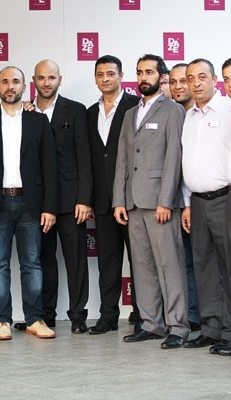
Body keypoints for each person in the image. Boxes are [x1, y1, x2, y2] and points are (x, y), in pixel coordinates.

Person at [0, 66, 58, 341]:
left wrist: (49, 207)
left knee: (32, 264)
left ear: (24, 86)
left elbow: (49, 167)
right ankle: (2, 321)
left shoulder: (38, 120)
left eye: (15, 81)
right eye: (5, 81)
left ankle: (35, 319)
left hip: (31, 203)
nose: (10, 86)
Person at [113, 54, 189, 349]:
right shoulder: (130, 113)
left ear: (162, 76)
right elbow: (122, 159)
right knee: (142, 267)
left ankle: (178, 326)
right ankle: (151, 323)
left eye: (149, 72)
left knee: (170, 266)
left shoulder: (172, 110)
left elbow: (174, 158)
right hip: (133, 203)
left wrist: (166, 201)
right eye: (139, 72)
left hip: (160, 203)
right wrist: (119, 200)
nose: (143, 77)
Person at [180, 58, 231, 350]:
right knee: (204, 268)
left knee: (230, 267)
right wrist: (187, 203)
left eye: (202, 77)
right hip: (197, 203)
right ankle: (210, 328)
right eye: (191, 78)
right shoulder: (189, 117)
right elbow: (187, 162)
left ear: (215, 80)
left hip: (225, 199)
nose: (196, 83)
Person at [30, 59, 92, 333]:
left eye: (51, 77)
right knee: (43, 260)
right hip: (38, 200)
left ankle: (78, 315)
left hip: (70, 200)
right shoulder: (24, 112)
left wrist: (84, 199)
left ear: (60, 80)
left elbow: (85, 157)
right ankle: (45, 316)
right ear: (34, 81)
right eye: (41, 78)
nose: (46, 83)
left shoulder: (76, 110)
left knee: (75, 259)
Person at [86, 55, 140, 335]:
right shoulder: (89, 113)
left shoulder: (136, 106)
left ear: (121, 76)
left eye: (110, 73)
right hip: (102, 201)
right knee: (108, 262)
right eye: (100, 74)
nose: (105, 78)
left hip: (132, 199)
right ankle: (108, 316)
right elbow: (88, 160)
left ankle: (143, 315)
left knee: (140, 261)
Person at [168, 63, 200, 331]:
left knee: (205, 262)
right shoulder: (169, 114)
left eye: (184, 80)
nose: (178, 86)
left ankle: (208, 318)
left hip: (202, 201)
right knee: (184, 262)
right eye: (173, 81)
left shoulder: (205, 115)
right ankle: (189, 315)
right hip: (174, 203)